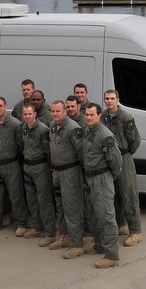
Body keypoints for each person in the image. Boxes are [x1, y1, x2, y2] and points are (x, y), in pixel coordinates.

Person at [82, 102, 122, 268]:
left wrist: (109, 177)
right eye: (87, 114)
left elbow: (116, 160)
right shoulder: (88, 131)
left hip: (102, 178)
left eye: (92, 115)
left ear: (99, 115)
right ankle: (99, 246)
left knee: (106, 216)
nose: (89, 117)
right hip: (90, 178)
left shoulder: (105, 135)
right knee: (94, 214)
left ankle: (112, 255)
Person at [102, 89, 143, 246]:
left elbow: (135, 140)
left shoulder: (125, 117)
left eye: (112, 98)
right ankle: (121, 225)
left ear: (117, 99)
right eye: (107, 98)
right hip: (110, 159)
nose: (110, 101)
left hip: (124, 157)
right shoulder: (104, 116)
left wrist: (126, 153)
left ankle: (136, 231)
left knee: (128, 193)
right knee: (114, 194)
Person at [0, 97, 28, 237]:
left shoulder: (16, 124)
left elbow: (22, 144)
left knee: (16, 195)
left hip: (11, 164)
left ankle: (20, 223)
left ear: (5, 106)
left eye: (1, 106)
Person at [48, 100, 85, 259]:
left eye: (58, 111)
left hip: (70, 172)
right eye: (53, 111)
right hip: (56, 171)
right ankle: (64, 236)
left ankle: (77, 245)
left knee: (71, 207)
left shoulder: (73, 128)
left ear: (65, 112)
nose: (55, 114)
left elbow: (82, 151)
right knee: (60, 205)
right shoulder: (52, 125)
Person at [20, 103, 57, 247]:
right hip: (27, 166)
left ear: (35, 114)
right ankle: (38, 228)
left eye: (30, 114)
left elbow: (48, 151)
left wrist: (50, 167)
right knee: (31, 199)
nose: (27, 117)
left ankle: (49, 233)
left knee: (44, 200)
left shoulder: (43, 130)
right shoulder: (23, 128)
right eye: (25, 114)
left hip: (40, 166)